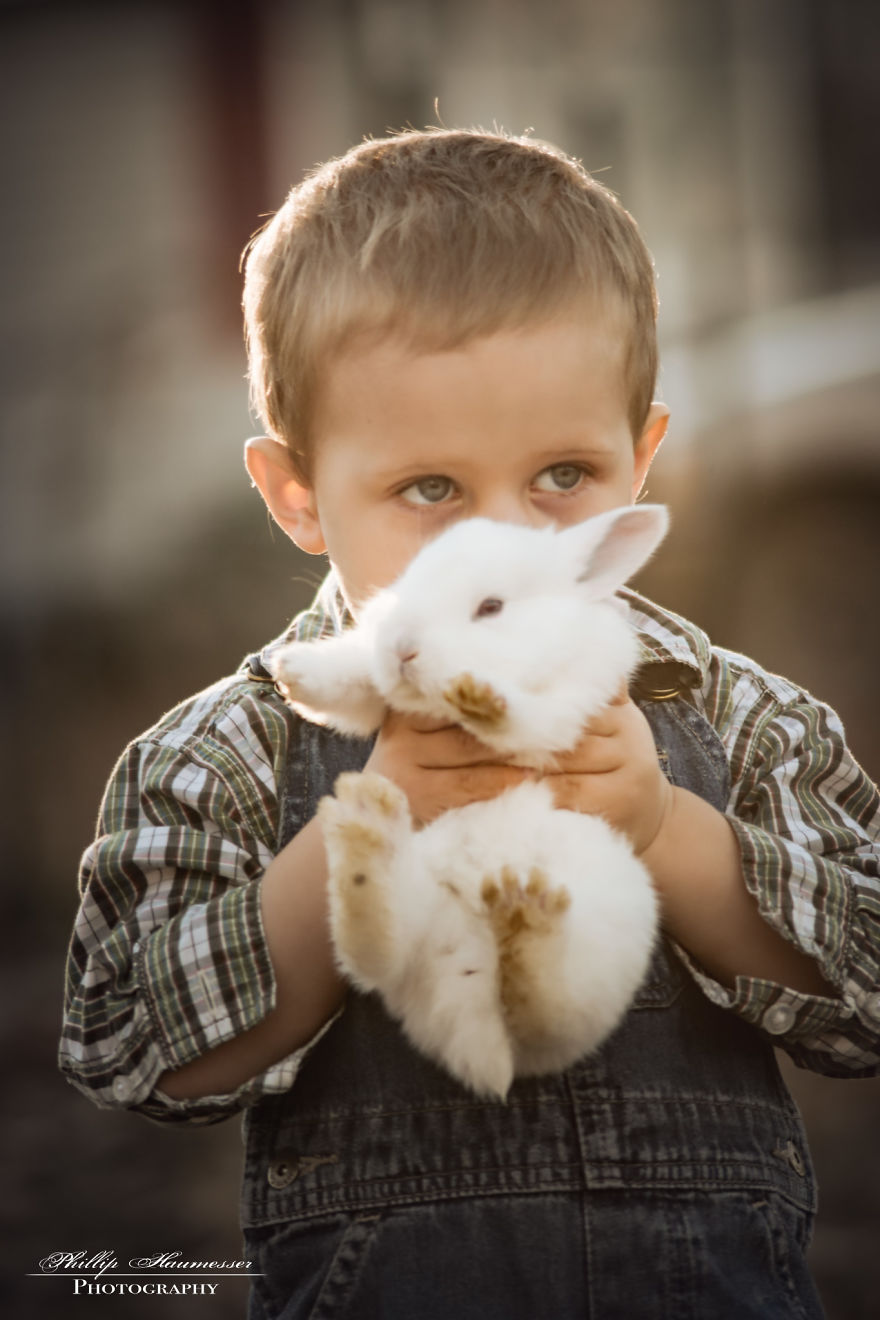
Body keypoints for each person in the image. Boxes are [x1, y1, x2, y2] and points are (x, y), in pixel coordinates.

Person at [59, 128, 880, 1319]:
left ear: (639, 464)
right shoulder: (231, 750)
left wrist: (668, 830)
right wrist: (364, 840)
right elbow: (129, 1048)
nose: (514, 540)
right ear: (299, 496)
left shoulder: (725, 712)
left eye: (562, 477)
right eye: (431, 490)